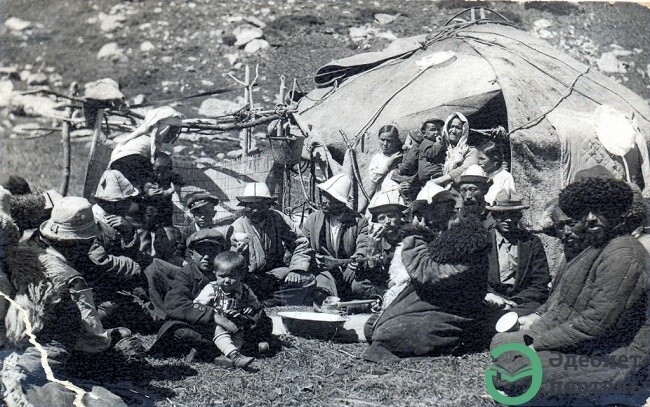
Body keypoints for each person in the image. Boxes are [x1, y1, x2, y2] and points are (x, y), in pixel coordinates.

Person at [492, 177, 649, 401]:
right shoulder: (600, 247)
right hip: (593, 348)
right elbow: (565, 308)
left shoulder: (623, 254)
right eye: (585, 212)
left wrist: (537, 344)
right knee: (503, 345)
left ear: (620, 212)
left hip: (617, 360)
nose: (591, 218)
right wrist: (534, 335)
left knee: (516, 372)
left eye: (602, 210)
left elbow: (594, 325)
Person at [0, 192, 129, 407]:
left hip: (28, 352)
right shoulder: (67, 277)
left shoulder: (27, 261)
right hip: (48, 358)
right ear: (85, 242)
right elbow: (93, 339)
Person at [363, 181, 492, 362]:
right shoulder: (439, 234)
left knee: (389, 334)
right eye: (420, 212)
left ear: (446, 208)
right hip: (431, 305)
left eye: (426, 210)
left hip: (458, 312)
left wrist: (415, 237)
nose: (422, 217)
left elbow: (427, 273)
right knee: (373, 326)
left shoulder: (468, 237)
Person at [155, 229, 272, 361]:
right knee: (179, 331)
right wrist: (214, 316)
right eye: (201, 251)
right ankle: (232, 349)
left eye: (212, 251)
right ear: (192, 254)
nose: (207, 256)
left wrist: (245, 311)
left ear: (221, 253)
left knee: (263, 321)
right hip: (203, 326)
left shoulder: (231, 271)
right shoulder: (186, 274)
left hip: (235, 325)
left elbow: (249, 296)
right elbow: (175, 303)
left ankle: (215, 351)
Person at [225, 182, 313, 306]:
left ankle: (267, 299)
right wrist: (239, 254)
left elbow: (300, 242)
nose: (255, 210)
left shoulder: (278, 218)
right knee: (244, 287)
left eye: (260, 205)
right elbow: (230, 264)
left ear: (268, 206)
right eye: (250, 206)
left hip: (275, 274)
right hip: (250, 277)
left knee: (307, 280)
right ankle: (270, 299)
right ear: (244, 206)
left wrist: (296, 269)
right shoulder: (237, 226)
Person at [298, 174, 369, 301]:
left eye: (329, 197)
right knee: (321, 291)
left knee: (360, 288)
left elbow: (364, 245)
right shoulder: (313, 219)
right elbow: (302, 246)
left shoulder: (359, 221)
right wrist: (313, 259)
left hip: (351, 270)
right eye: (324, 195)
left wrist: (356, 262)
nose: (324, 200)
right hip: (324, 272)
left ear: (341, 202)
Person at [193, 251, 268, 368]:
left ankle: (227, 356)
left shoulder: (245, 289)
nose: (227, 280)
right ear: (215, 273)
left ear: (241, 275)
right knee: (220, 330)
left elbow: (256, 303)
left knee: (239, 335)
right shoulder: (212, 288)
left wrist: (250, 307)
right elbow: (197, 304)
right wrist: (212, 312)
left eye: (232, 276)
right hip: (215, 323)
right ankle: (235, 357)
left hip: (236, 322)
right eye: (222, 276)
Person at [484, 189, 550, 317]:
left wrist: (515, 302)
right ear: (494, 215)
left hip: (522, 303)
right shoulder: (483, 241)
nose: (508, 219)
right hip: (491, 301)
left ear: (519, 216)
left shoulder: (531, 242)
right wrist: (491, 297)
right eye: (502, 214)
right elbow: (474, 279)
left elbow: (540, 283)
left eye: (513, 214)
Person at [360, 188, 409, 300]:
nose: (387, 221)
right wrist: (371, 250)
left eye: (390, 215)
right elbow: (373, 275)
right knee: (359, 285)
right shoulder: (375, 239)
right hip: (385, 284)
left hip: (404, 280)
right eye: (382, 218)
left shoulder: (408, 236)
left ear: (399, 217)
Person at [391, 119, 446, 203]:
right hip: (426, 178)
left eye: (439, 129)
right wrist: (439, 144)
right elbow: (430, 153)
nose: (436, 132)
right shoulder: (425, 143)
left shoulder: (432, 143)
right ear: (424, 132)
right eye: (432, 129)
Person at [429, 112, 479, 187]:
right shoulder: (439, 149)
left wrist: (441, 180)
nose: (453, 131)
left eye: (458, 128)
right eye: (451, 127)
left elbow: (465, 168)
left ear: (464, 130)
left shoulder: (470, 151)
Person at [362, 125, 404, 211]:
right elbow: (374, 178)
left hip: (397, 195)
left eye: (389, 141)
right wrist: (388, 164)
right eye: (382, 140)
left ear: (396, 141)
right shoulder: (377, 157)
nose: (385, 144)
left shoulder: (401, 156)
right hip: (382, 196)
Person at [477, 140, 516, 206]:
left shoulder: (505, 176)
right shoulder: (482, 175)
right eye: (478, 158)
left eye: (482, 159)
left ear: (495, 161)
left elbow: (506, 198)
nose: (478, 162)